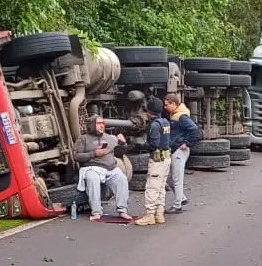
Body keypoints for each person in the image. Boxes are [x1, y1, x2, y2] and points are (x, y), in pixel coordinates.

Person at [73, 115, 131, 222]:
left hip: (110, 168)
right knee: (92, 178)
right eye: (98, 123)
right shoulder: (83, 139)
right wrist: (93, 153)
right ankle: (96, 212)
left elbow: (119, 153)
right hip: (92, 167)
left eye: (103, 123)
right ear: (91, 125)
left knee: (121, 179)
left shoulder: (110, 138)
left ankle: (122, 210)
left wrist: (123, 144)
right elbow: (76, 156)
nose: (102, 126)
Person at [132, 96, 172, 226]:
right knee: (160, 187)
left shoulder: (154, 125)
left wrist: (138, 145)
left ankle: (150, 215)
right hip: (166, 159)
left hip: (157, 160)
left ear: (149, 111)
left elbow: (153, 145)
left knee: (152, 187)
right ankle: (159, 214)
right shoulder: (165, 122)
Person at [163, 92, 201, 213]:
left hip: (179, 150)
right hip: (176, 149)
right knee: (169, 179)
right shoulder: (176, 115)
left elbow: (195, 130)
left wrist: (187, 143)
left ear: (173, 104)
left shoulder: (181, 117)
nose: (165, 107)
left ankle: (177, 205)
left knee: (176, 179)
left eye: (166, 105)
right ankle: (181, 198)